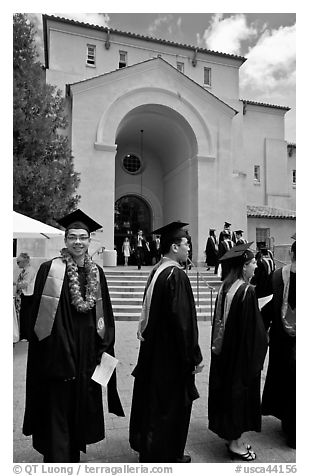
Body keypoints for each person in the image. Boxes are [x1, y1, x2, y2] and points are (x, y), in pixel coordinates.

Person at [22, 209, 124, 463]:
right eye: (72, 237)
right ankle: (57, 458)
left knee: (80, 406)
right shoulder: (50, 269)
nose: (78, 241)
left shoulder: (96, 273)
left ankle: (73, 452)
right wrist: (61, 351)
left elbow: (105, 314)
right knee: (57, 406)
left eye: (83, 237)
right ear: (65, 241)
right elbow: (40, 320)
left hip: (87, 355)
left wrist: (104, 346)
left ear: (90, 241)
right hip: (58, 356)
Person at [129, 221, 203, 463]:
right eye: (186, 244)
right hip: (172, 359)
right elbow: (183, 324)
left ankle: (151, 450)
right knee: (170, 408)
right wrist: (193, 358)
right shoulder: (176, 275)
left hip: (155, 353)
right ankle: (167, 454)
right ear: (174, 247)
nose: (189, 249)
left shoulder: (158, 271)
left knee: (155, 404)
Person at [208, 242, 268, 461]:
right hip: (241, 359)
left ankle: (231, 436)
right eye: (252, 263)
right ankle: (235, 443)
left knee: (227, 394)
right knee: (238, 396)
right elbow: (254, 334)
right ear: (243, 266)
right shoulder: (246, 291)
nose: (256, 267)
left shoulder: (225, 288)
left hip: (225, 356)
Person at [261, 240, 296, 449]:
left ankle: (287, 422)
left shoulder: (276, 276)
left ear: (291, 252)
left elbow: (263, 309)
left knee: (284, 379)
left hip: (281, 340)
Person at [14, 252, 37, 341]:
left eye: (18, 262)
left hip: (28, 295)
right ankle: (24, 334)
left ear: (24, 262)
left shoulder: (29, 271)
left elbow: (25, 283)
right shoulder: (25, 270)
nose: (17, 264)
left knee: (26, 315)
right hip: (25, 294)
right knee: (23, 315)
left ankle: (26, 335)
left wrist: (15, 285)